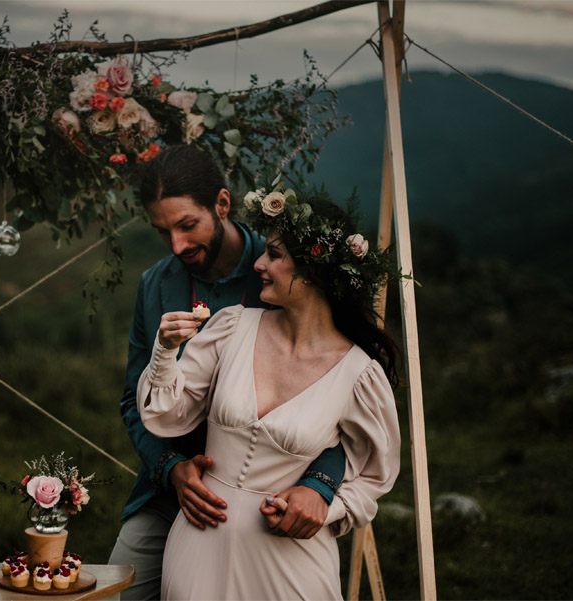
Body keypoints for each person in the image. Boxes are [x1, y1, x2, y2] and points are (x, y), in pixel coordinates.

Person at [136, 183, 402, 599]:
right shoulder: (231, 327)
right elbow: (167, 415)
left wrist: (325, 505)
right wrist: (165, 351)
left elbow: (374, 475)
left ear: (313, 271)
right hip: (198, 547)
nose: (259, 263)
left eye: (274, 255)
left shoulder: (359, 375)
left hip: (292, 561)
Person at [108, 145, 348, 600]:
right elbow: (132, 401)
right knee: (121, 589)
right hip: (168, 489)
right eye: (163, 233)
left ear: (221, 204)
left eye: (187, 226)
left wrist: (318, 486)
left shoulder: (281, 271)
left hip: (270, 493)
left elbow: (338, 398)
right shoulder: (155, 285)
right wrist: (172, 470)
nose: (177, 246)